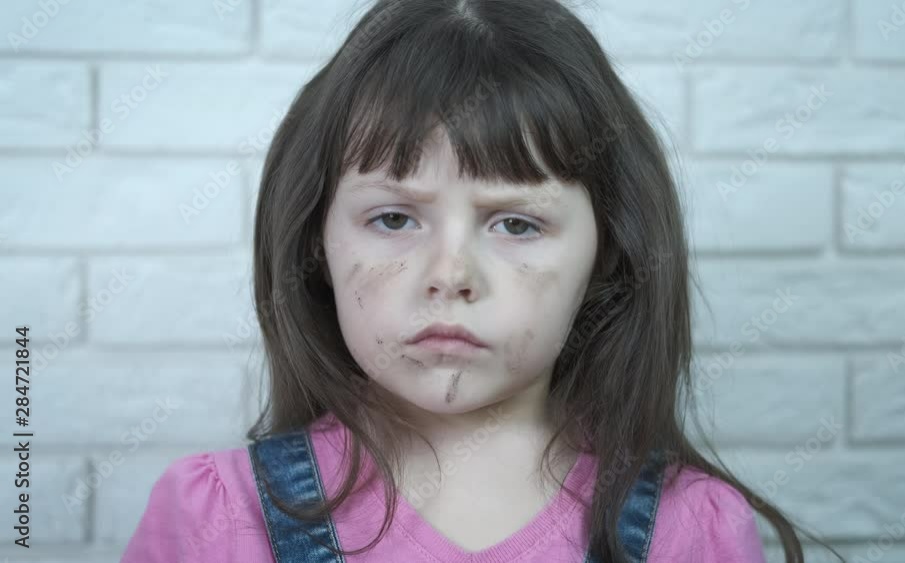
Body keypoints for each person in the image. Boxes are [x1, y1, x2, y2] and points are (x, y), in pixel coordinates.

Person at [122, 0, 838, 561]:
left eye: (517, 225)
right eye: (394, 218)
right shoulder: (215, 517)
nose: (450, 275)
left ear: (608, 253)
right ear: (316, 239)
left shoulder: (692, 530)